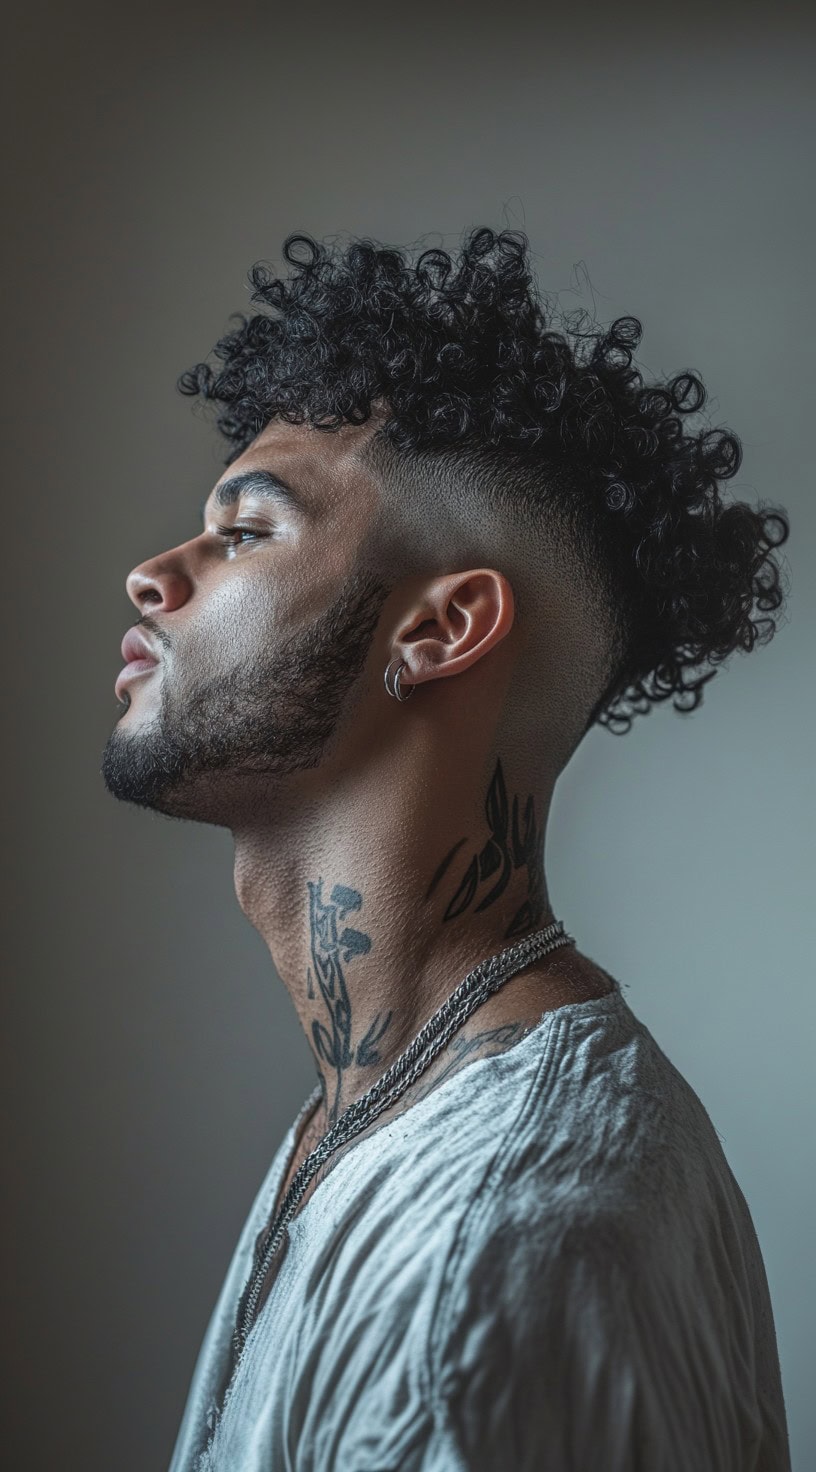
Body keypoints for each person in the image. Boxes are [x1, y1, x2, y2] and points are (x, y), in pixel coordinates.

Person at [101, 227, 792, 1470]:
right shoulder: (389, 1107)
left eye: (246, 532)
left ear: (441, 629)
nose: (155, 576)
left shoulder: (479, 1266)